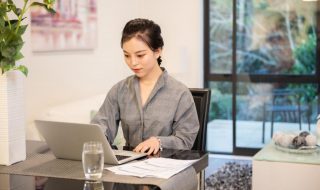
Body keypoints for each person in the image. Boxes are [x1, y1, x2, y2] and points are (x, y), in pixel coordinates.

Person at [91, 18, 199, 155]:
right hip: (128, 168)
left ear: (157, 51)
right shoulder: (119, 90)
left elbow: (186, 140)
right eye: (126, 55)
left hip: (167, 168)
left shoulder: (180, 93)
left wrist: (159, 142)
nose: (133, 63)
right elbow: (101, 127)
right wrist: (97, 139)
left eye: (140, 55)